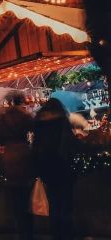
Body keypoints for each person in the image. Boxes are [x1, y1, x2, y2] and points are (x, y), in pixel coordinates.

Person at [33, 98, 77, 240]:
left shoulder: (39, 123)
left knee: (53, 204)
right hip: (63, 166)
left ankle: (56, 234)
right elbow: (70, 144)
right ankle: (67, 234)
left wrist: (39, 168)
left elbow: (36, 147)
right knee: (66, 204)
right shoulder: (62, 121)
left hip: (47, 168)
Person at [0, 92, 34, 240]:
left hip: (9, 157)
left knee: (16, 202)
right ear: (21, 101)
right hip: (24, 155)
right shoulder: (25, 116)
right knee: (27, 200)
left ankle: (20, 231)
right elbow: (35, 129)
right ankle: (28, 233)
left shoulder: (2, 118)